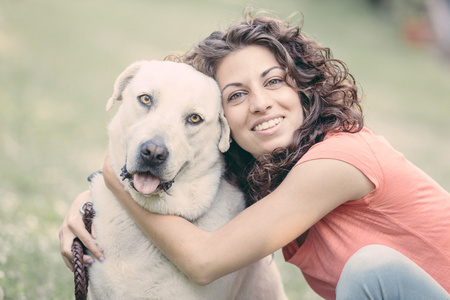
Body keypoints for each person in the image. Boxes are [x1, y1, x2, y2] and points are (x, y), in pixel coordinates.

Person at [59, 10, 450, 300]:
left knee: (369, 270)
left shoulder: (339, 158)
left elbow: (204, 261)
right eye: (236, 95)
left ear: (303, 87)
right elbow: (185, 176)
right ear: (222, 125)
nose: (260, 104)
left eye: (274, 81)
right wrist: (91, 204)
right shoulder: (269, 178)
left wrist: (113, 178)